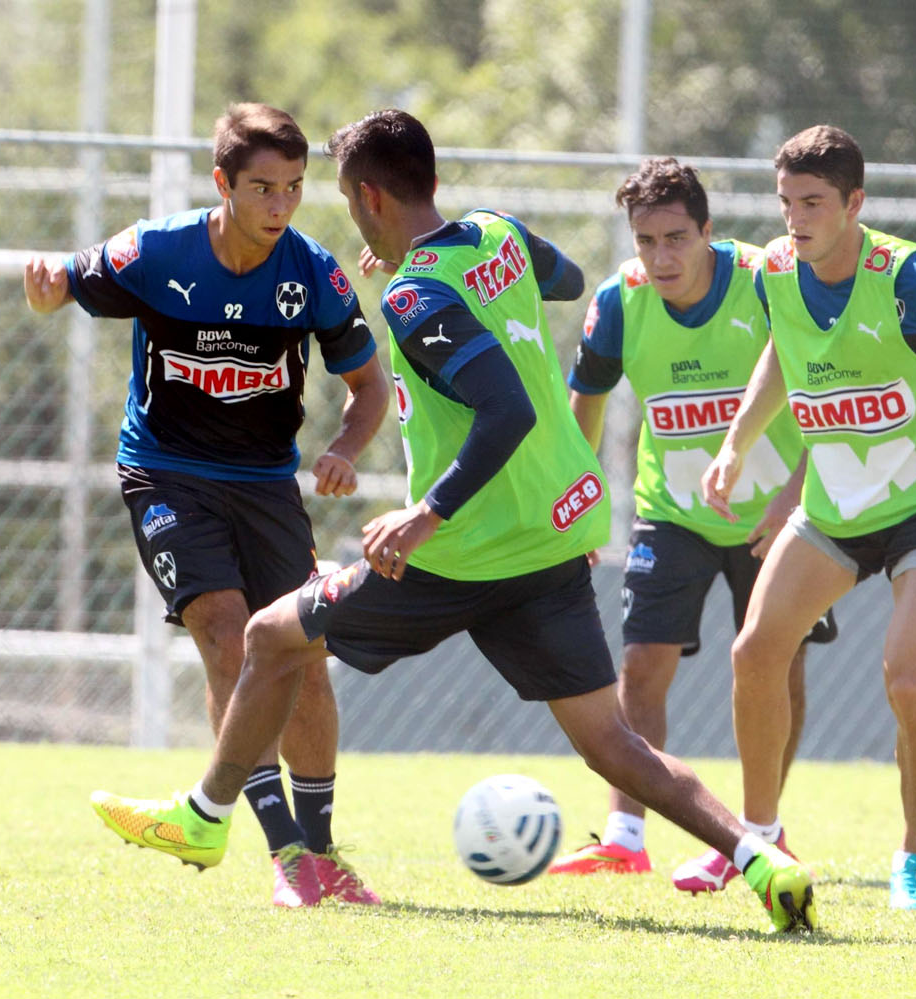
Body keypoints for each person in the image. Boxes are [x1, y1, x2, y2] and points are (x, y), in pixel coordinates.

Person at [87, 108, 817, 934]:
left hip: (458, 551)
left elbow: (500, 408)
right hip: (551, 535)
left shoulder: (414, 292)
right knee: (613, 742)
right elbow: (568, 276)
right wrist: (442, 271)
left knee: (267, 636)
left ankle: (207, 814)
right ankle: (761, 856)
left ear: (369, 197)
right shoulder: (494, 235)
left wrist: (422, 515)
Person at [25, 102, 389, 908]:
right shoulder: (157, 251)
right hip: (166, 473)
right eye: (262, 188)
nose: (279, 207)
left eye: (294, 188)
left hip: (266, 484)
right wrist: (50, 293)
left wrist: (342, 450)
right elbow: (68, 279)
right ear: (222, 182)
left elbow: (370, 386)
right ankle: (286, 852)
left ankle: (324, 854)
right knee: (228, 637)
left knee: (302, 658)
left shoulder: (313, 272)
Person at [702, 125, 916, 911]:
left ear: (855, 203)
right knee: (756, 650)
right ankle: (761, 839)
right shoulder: (776, 271)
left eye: (815, 203)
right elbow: (784, 353)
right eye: (787, 201)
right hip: (840, 500)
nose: (796, 218)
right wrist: (736, 442)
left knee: (907, 676)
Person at [545, 157, 835, 891]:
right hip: (671, 511)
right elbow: (587, 402)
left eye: (677, 238)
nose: (661, 256)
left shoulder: (764, 280)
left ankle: (762, 831)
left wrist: (794, 498)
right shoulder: (619, 300)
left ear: (709, 232)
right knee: (642, 665)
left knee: (778, 664)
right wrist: (580, 511)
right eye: (646, 240)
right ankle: (625, 833)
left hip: (779, 513)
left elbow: (826, 385)